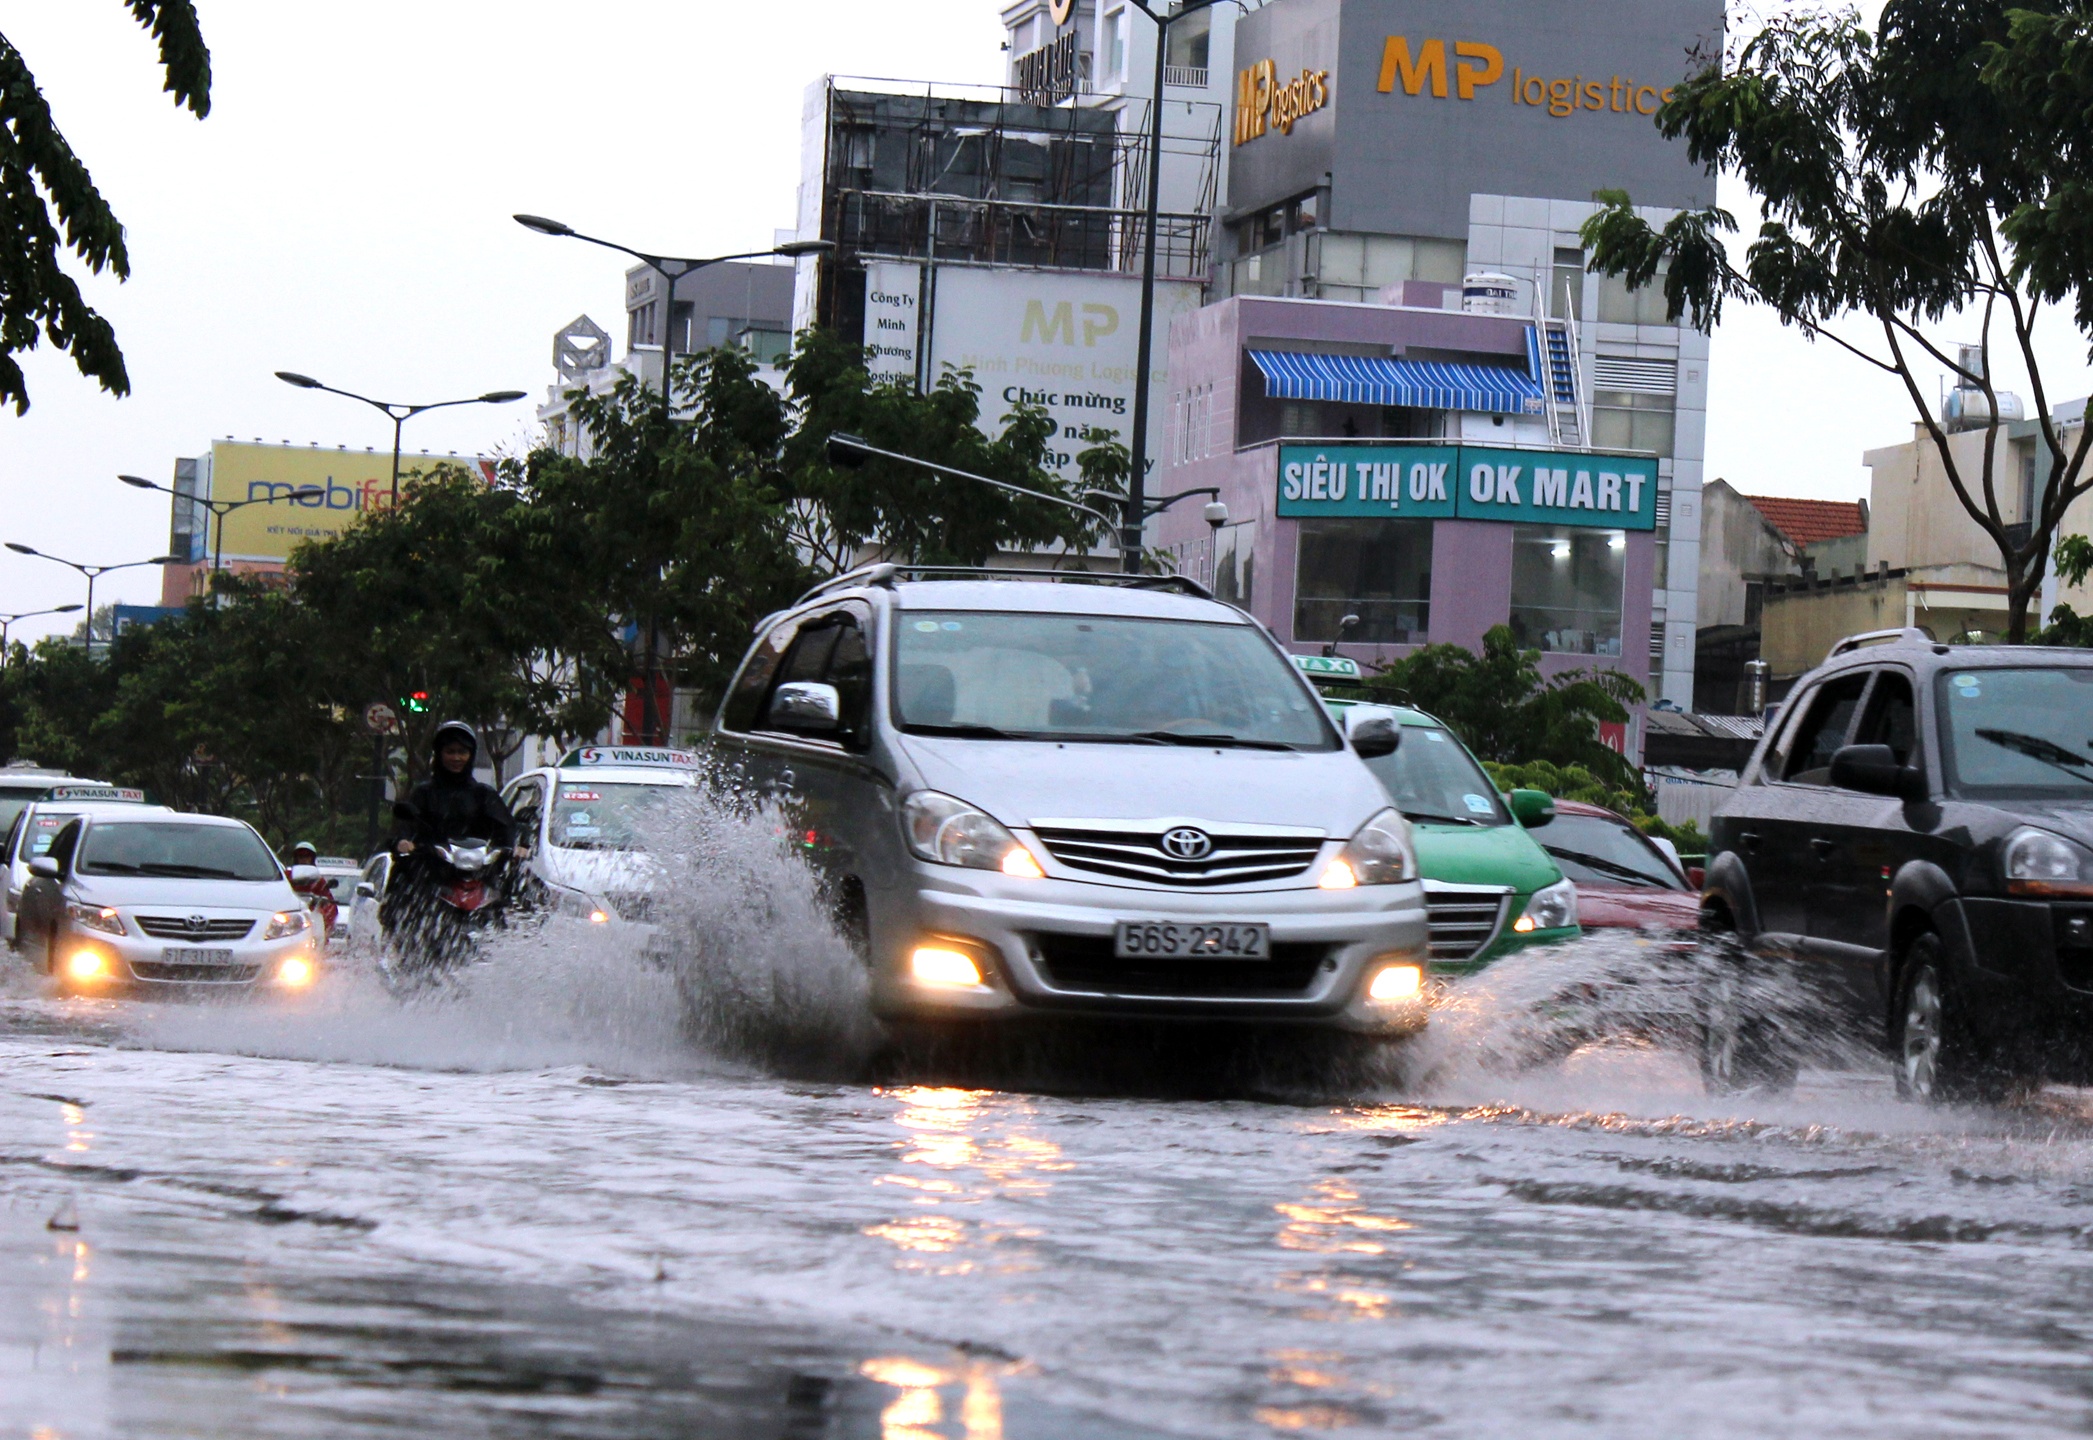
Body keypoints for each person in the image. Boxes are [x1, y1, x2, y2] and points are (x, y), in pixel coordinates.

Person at [381, 721, 523, 953]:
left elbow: (506, 826)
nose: (456, 758)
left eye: (462, 752)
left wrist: (516, 847)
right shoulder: (424, 793)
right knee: (404, 882)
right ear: (439, 754)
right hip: (432, 867)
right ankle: (404, 944)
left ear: (471, 755)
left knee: (520, 883)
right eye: (450, 752)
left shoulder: (483, 794)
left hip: (478, 867)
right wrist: (404, 842)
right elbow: (405, 826)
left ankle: (521, 942)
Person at [285, 840, 337, 933]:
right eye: (300, 856)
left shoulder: (318, 880)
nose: (304, 859)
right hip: (291, 917)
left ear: (312, 858)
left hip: (312, 918)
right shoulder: (287, 876)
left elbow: (329, 903)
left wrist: (326, 921)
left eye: (307, 856)